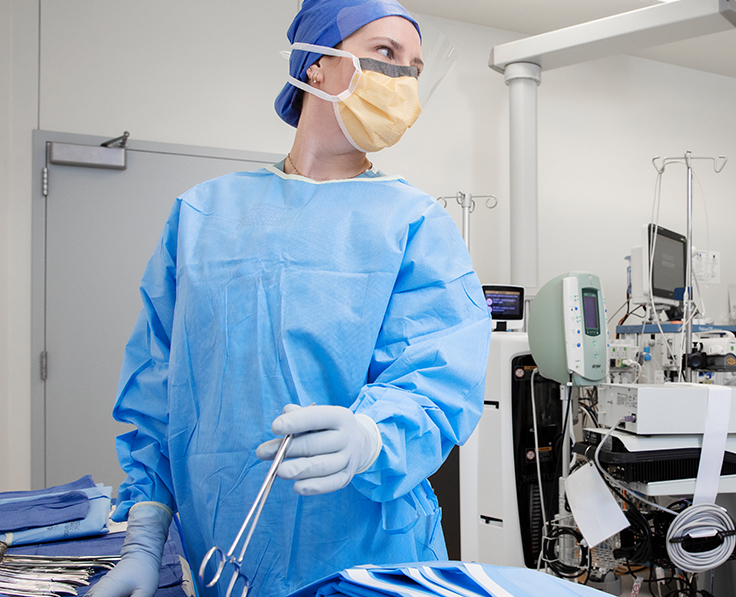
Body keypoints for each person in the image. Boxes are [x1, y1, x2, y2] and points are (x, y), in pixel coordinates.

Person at [89, 2, 491, 596]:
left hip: (371, 562)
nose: (403, 79)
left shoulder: (414, 223)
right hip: (224, 560)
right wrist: (145, 536)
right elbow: (156, 388)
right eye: (385, 53)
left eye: (415, 65)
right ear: (317, 64)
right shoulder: (202, 215)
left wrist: (372, 436)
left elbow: (438, 380)